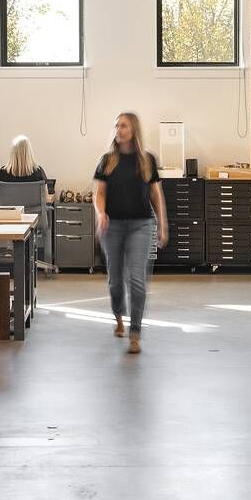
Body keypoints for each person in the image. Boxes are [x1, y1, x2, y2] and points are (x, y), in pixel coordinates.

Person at [93, 111, 167, 355]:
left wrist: (162, 224)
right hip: (112, 226)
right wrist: (101, 214)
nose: (119, 130)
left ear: (133, 129)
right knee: (115, 281)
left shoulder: (147, 160)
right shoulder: (106, 160)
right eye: (116, 126)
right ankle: (118, 317)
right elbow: (99, 194)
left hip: (141, 225)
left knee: (137, 280)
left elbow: (156, 195)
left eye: (123, 125)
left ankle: (135, 333)